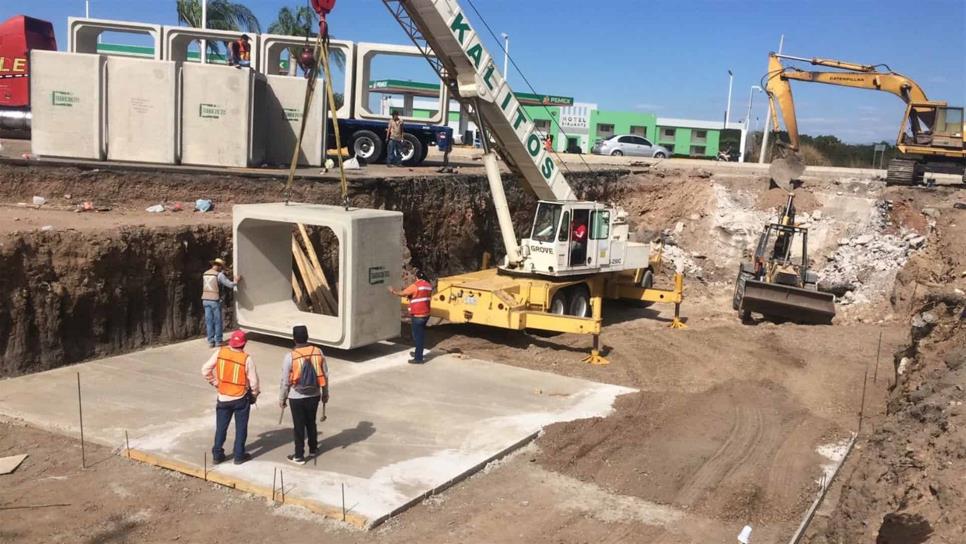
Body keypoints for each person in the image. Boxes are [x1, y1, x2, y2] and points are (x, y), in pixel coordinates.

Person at [202, 330, 259, 465]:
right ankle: (239, 455)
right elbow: (254, 382)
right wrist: (254, 395)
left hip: (223, 397)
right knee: (241, 428)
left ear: (231, 342)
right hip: (240, 398)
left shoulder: (220, 353)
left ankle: (217, 455)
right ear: (244, 344)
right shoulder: (246, 358)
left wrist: (216, 383)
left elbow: (205, 370)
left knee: (221, 427)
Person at [278, 324, 328, 464]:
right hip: (314, 394)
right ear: (307, 337)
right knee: (311, 422)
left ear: (294, 339)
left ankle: (299, 455)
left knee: (299, 425)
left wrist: (282, 398)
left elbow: (285, 380)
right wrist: (325, 393)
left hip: (296, 395)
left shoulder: (290, 356)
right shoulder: (318, 352)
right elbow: (325, 374)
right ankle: (313, 448)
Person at [389, 271, 432, 364]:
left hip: (418, 315)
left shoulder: (416, 286)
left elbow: (403, 293)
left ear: (416, 277)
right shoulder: (428, 285)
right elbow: (419, 295)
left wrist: (393, 291)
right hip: (426, 314)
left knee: (418, 336)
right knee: (420, 335)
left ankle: (418, 358)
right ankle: (418, 353)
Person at [202, 258, 241, 348]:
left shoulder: (205, 273)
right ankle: (218, 341)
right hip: (214, 301)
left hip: (205, 300)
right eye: (221, 267)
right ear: (219, 266)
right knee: (217, 321)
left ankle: (211, 342)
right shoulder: (219, 275)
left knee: (209, 322)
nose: (222, 269)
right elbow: (230, 285)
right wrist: (236, 281)